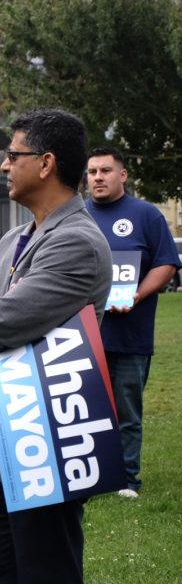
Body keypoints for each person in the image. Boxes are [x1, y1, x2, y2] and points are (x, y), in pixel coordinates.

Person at [0, 109, 112, 584]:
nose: (3, 165)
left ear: (45, 164)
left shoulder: (77, 243)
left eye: (12, 155)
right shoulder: (14, 240)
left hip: (49, 441)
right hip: (8, 438)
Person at [85, 146, 180, 498]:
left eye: (105, 170)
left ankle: (126, 479)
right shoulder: (75, 215)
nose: (98, 177)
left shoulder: (145, 215)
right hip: (80, 334)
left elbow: (166, 264)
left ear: (122, 175)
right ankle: (89, 476)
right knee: (86, 408)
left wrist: (135, 296)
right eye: (92, 171)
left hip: (130, 334)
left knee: (126, 408)